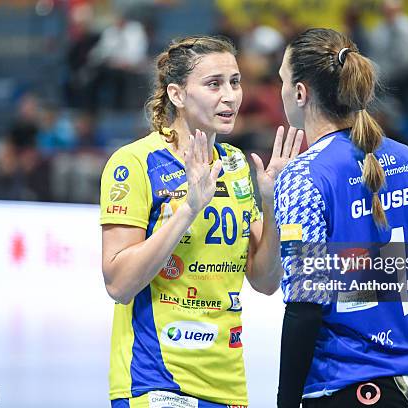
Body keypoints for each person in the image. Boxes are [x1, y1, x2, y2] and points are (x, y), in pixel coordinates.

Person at [100, 35, 303, 408]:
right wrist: (188, 210)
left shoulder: (237, 165)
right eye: (214, 84)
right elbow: (119, 283)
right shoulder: (134, 163)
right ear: (176, 94)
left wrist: (272, 204)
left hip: (228, 384)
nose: (230, 96)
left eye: (235, 82)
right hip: (155, 381)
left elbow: (265, 280)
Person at [273, 28, 408, 407]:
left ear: (300, 93)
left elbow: (306, 304)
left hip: (347, 388)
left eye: (282, 81)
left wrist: (286, 400)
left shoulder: (304, 175)